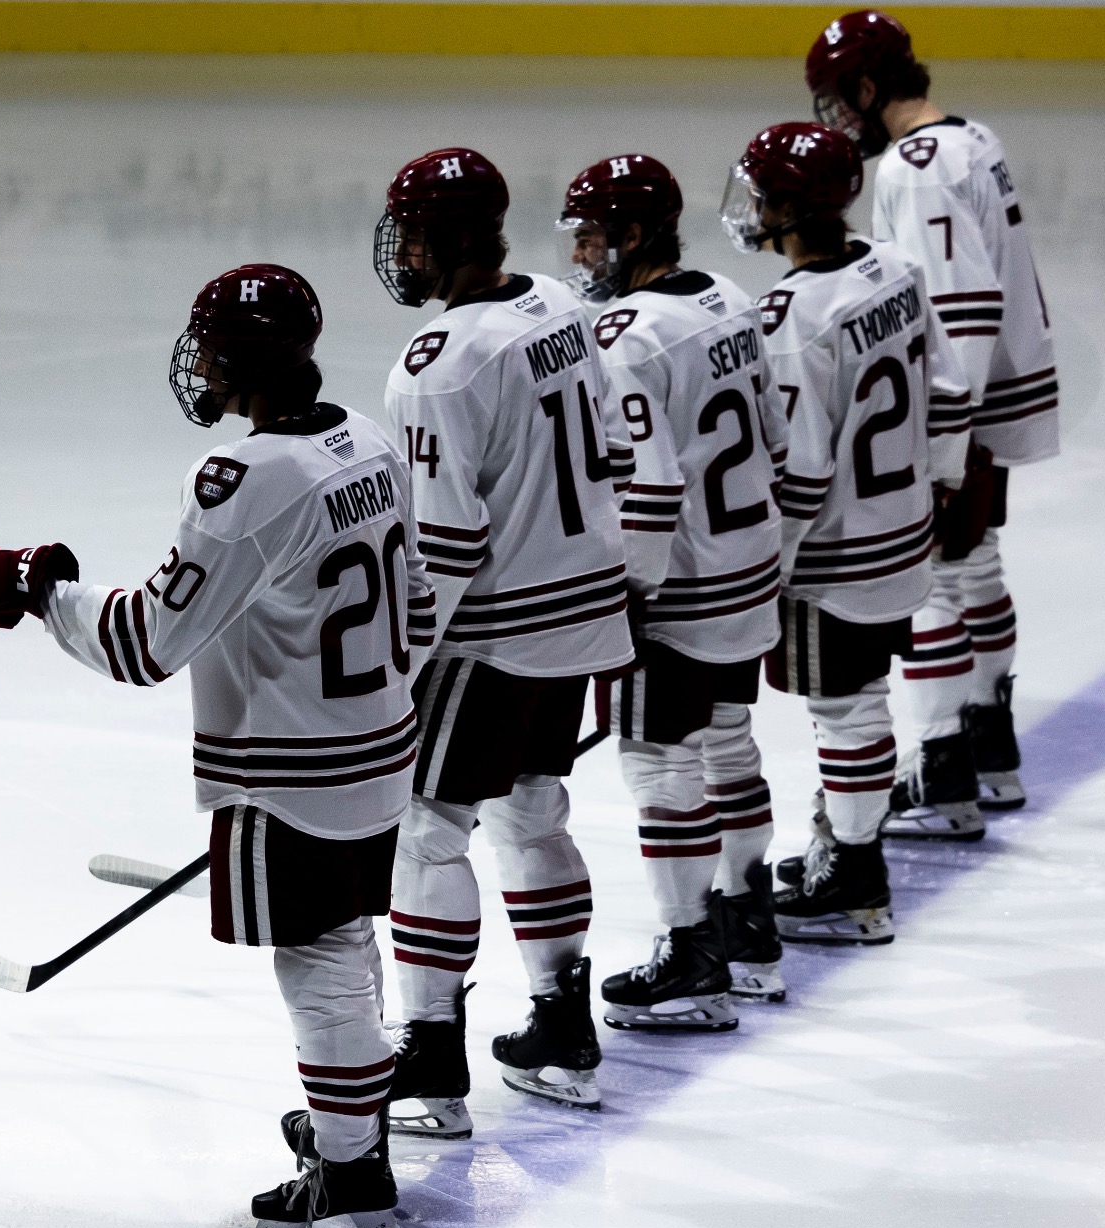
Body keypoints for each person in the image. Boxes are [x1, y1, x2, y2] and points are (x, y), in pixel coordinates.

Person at [0, 265, 430, 1228]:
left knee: (315, 961)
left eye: (210, 345)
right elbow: (419, 600)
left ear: (236, 358)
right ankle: (357, 1126)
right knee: (345, 945)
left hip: (296, 771)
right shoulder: (367, 441)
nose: (199, 361)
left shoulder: (243, 481)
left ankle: (351, 1180)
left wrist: (40, 590)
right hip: (379, 747)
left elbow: (145, 643)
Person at [374, 148, 635, 1119]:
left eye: (406, 231)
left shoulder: (435, 367)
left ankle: (431, 1056)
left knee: (425, 828)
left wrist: (393, 669)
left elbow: (441, 547)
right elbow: (612, 447)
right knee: (531, 810)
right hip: (576, 614)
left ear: (441, 240)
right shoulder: (559, 308)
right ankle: (562, 1029)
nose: (397, 250)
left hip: (490, 633)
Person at [808, 9, 1060, 832]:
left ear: (870, 87)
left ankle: (947, 766)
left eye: (840, 99)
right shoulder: (971, 138)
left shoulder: (916, 166)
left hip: (963, 406)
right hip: (1000, 391)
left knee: (940, 582)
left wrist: (944, 446)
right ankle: (992, 750)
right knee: (977, 569)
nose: (838, 117)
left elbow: (962, 304)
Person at [720, 125, 972, 943]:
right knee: (859, 699)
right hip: (901, 530)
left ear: (790, 208)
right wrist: (938, 488)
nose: (752, 205)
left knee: (846, 708)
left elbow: (802, 470)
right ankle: (846, 844)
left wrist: (768, 569)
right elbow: (950, 386)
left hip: (836, 551)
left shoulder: (789, 316)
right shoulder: (894, 266)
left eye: (762, 192)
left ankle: (858, 877)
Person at [560, 153, 792, 1023]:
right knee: (730, 740)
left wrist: (628, 601)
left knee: (658, 760)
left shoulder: (624, 337)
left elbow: (650, 488)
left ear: (631, 236)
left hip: (680, 589)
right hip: (746, 569)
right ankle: (750, 929)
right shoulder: (728, 298)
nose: (581, 255)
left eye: (590, 237)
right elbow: (775, 439)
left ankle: (692, 950)